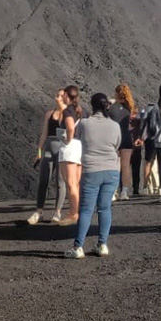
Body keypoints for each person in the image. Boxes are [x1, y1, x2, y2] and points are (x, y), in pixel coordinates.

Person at [66, 93, 123, 258]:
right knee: (105, 208)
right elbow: (117, 145)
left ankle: (78, 247)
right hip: (112, 170)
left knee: (86, 210)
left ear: (92, 105)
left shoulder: (84, 123)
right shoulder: (115, 125)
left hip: (92, 170)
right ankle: (102, 244)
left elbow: (79, 138)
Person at [27, 89, 70, 225]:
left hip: (63, 148)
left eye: (59, 95)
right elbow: (44, 134)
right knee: (43, 180)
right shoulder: (49, 114)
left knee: (60, 182)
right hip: (49, 147)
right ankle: (38, 211)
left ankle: (57, 212)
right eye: (56, 95)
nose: (56, 97)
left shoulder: (69, 115)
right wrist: (39, 152)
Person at [57, 86, 85, 226]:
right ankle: (76, 211)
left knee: (70, 183)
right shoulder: (80, 110)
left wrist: (67, 139)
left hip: (70, 147)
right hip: (79, 146)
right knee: (76, 183)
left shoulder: (68, 110)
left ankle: (73, 213)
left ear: (67, 95)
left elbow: (70, 127)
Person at [107, 84, 138, 200]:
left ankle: (113, 191)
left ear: (116, 93)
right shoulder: (129, 107)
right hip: (126, 137)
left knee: (114, 165)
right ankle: (124, 192)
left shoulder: (112, 107)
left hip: (114, 138)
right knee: (125, 166)